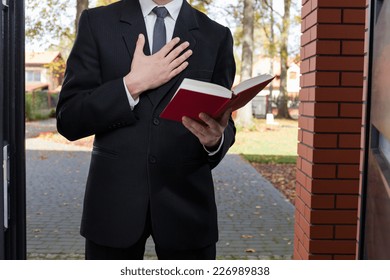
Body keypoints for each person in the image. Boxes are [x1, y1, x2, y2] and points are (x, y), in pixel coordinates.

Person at [56, 0, 236, 260]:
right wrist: (131, 85)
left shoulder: (216, 35)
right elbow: (69, 119)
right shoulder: (97, 23)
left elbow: (224, 121)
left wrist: (216, 140)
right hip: (113, 207)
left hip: (188, 210)